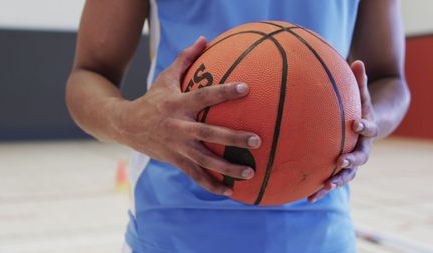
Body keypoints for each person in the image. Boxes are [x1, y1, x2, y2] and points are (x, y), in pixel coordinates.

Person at [66, 0, 410, 252]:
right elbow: (89, 74)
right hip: (174, 229)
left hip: (319, 228)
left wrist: (369, 123)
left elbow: (390, 79)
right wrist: (130, 122)